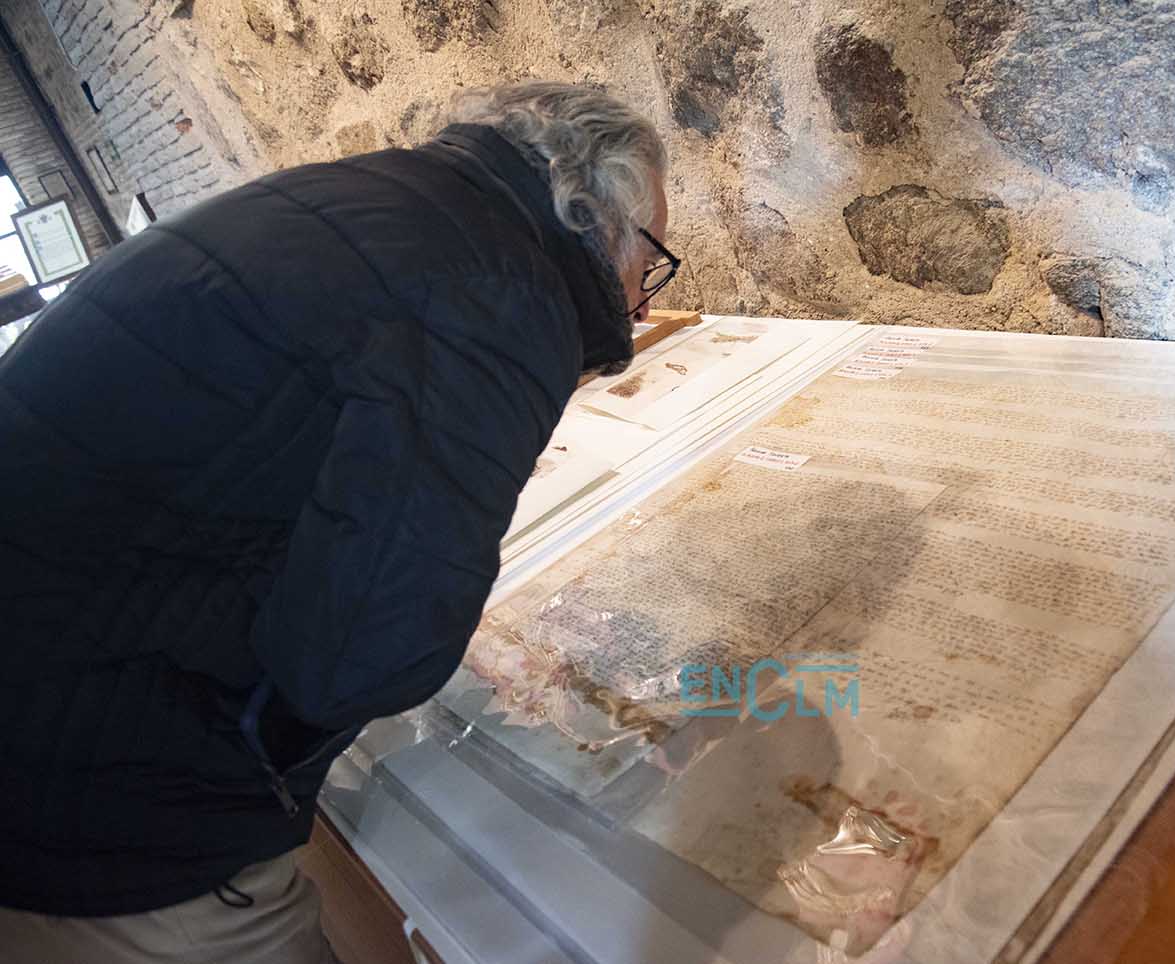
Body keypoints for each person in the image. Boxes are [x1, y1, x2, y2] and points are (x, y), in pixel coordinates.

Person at [0, 80, 674, 962]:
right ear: (598, 218)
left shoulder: (388, 200)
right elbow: (365, 653)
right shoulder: (502, 293)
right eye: (652, 260)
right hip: (102, 800)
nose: (645, 300)